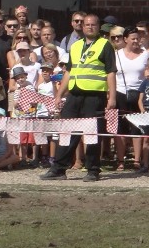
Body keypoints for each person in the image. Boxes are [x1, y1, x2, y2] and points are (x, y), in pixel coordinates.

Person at [40, 14, 117, 182]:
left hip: (94, 95)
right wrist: (60, 94)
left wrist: (112, 97)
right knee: (67, 131)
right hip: (74, 94)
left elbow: (111, 72)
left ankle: (93, 170)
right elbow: (69, 71)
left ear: (98, 27)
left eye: (93, 25)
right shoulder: (75, 46)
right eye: (86, 24)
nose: (89, 27)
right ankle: (59, 168)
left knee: (92, 134)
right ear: (82, 27)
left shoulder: (105, 45)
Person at [114, 27, 149, 171]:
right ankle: (121, 160)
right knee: (120, 128)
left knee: (137, 127)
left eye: (137, 38)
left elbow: (148, 75)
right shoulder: (117, 54)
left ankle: (136, 159)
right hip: (120, 92)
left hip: (138, 94)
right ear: (125, 39)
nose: (135, 41)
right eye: (132, 38)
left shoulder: (145, 54)